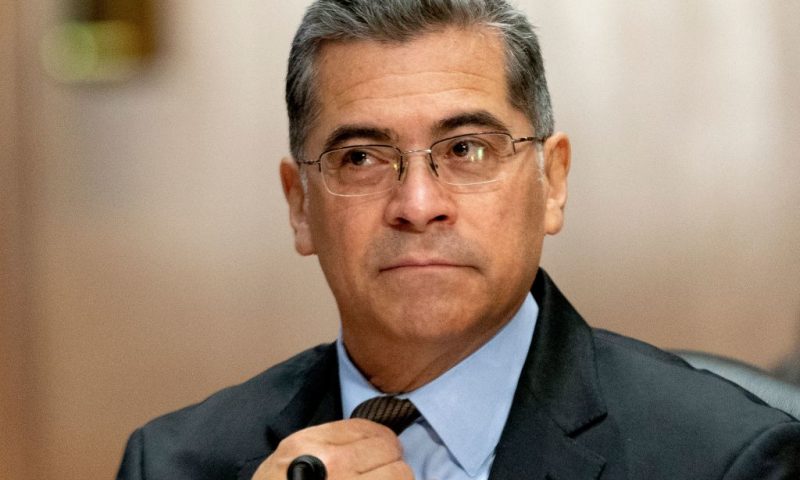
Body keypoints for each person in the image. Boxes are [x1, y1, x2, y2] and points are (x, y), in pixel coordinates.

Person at [116, 1, 800, 479]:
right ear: (300, 206)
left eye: (467, 149)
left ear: (552, 181)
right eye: (361, 157)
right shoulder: (174, 462)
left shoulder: (724, 459)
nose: (418, 205)